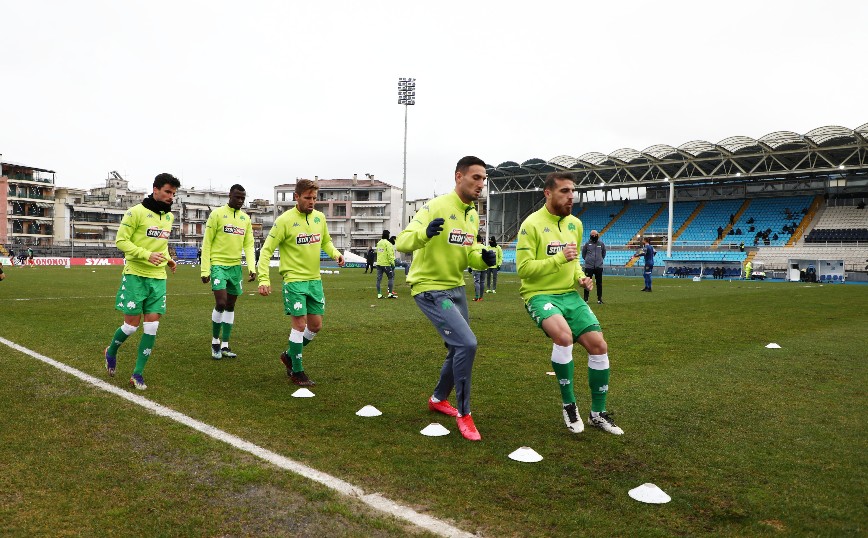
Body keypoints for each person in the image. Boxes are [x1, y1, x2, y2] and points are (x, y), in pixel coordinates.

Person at [395, 156, 497, 441]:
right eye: (476, 177)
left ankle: (438, 398)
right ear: (458, 176)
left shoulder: (472, 214)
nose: (481, 184)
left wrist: (484, 258)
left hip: (455, 287)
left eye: (483, 179)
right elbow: (403, 241)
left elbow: (471, 254)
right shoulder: (436, 206)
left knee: (457, 348)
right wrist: (424, 235)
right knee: (467, 343)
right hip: (429, 288)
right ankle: (465, 414)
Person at [517, 171, 624, 436]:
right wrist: (559, 259)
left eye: (572, 192)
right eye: (564, 191)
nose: (570, 197)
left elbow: (575, 260)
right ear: (548, 193)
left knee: (599, 346)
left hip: (569, 295)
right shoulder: (530, 225)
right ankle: (569, 405)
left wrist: (581, 278)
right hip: (539, 294)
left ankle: (597, 413)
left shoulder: (575, 224)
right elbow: (523, 269)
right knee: (563, 337)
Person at [256, 179, 345, 387]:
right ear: (296, 197)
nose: (312, 202)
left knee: (315, 326)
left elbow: (326, 241)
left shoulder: (319, 218)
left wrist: (336, 254)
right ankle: (297, 371)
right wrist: (263, 278)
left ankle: (288, 355)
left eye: (314, 198)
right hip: (294, 280)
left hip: (315, 280)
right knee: (300, 324)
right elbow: (267, 250)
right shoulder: (284, 221)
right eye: (307, 198)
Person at [103, 173, 180, 390]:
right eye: (167, 192)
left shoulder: (168, 217)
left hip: (158, 278)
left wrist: (168, 260)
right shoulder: (135, 212)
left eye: (173, 193)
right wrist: (146, 255)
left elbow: (161, 244)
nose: (170, 197)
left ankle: (137, 373)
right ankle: (111, 351)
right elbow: (121, 241)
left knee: (152, 326)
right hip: (135, 275)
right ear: (155, 189)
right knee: (130, 326)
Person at [200, 184, 257, 360]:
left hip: (235, 267)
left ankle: (225, 345)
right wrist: (205, 269)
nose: (240, 201)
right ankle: (215, 342)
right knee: (222, 302)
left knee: (231, 305)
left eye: (243, 198)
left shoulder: (245, 219)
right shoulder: (217, 215)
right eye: (237, 197)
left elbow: (248, 244)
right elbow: (207, 242)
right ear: (230, 196)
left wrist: (252, 267)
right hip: (218, 265)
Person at [581, 229, 606, 304]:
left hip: (599, 267)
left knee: (599, 283)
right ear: (590, 236)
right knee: (587, 283)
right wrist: (588, 260)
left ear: (597, 235)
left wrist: (600, 260)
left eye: (596, 235)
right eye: (593, 235)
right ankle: (585, 299)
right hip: (589, 267)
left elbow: (604, 253)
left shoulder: (601, 244)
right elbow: (583, 254)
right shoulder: (587, 244)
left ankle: (599, 299)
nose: (594, 236)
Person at [375, 229, 397, 299]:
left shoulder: (378, 243)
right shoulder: (387, 243)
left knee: (379, 279)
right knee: (391, 277)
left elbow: (378, 253)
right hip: (386, 264)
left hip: (379, 264)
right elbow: (390, 254)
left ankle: (379, 294)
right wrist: (392, 263)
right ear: (388, 235)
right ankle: (390, 293)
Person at [471, 234, 486, 301]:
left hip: (476, 267)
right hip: (483, 267)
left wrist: (469, 266)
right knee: (482, 282)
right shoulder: (485, 247)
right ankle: (481, 297)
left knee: (477, 282)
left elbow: (472, 257)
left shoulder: (474, 247)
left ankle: (477, 296)